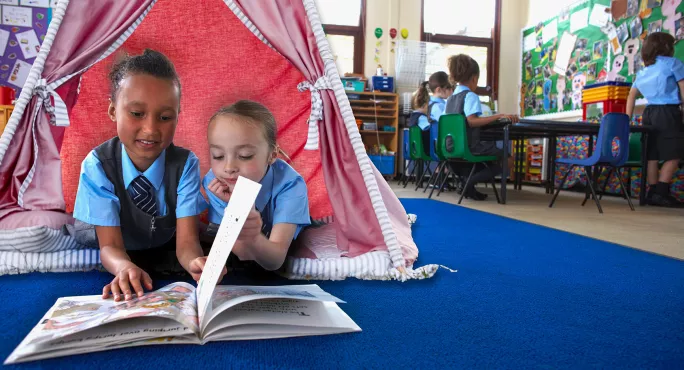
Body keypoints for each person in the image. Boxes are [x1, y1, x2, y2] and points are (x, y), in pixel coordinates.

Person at [69, 49, 217, 301]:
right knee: (83, 234)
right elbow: (110, 246)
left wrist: (195, 262)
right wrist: (123, 267)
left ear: (178, 117)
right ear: (113, 111)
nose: (150, 129)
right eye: (137, 114)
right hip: (106, 235)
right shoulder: (98, 165)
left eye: (165, 117)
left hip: (161, 238)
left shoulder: (185, 164)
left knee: (207, 234)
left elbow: (186, 242)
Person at [203, 100, 311, 272]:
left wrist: (252, 236)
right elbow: (241, 253)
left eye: (245, 156)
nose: (229, 168)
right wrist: (236, 210)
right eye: (218, 156)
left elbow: (275, 260)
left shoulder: (291, 185)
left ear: (272, 155)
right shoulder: (215, 181)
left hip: (275, 248)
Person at [444, 54, 518, 200]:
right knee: (508, 159)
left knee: (487, 155)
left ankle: (467, 183)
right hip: (468, 146)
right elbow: (472, 121)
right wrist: (498, 115)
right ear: (474, 78)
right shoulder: (470, 96)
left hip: (450, 148)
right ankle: (469, 182)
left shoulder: (449, 99)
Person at [626, 32, 684, 207]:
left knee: (651, 153)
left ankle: (652, 191)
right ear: (667, 47)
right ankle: (661, 191)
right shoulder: (673, 63)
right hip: (668, 112)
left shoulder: (643, 71)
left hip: (649, 113)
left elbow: (631, 96)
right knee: (677, 151)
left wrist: (627, 120)